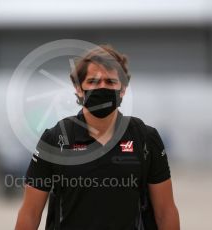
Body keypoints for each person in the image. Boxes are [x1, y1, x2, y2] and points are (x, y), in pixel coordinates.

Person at [15, 44, 180, 230]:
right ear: (78, 88)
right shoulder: (55, 139)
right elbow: (30, 213)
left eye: (110, 82)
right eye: (93, 81)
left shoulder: (146, 138)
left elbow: (165, 212)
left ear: (123, 89)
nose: (102, 87)